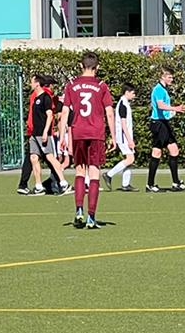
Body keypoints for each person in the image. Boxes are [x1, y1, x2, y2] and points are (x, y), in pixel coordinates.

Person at [59, 52, 113, 229]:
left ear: (81, 66)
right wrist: (113, 135)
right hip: (96, 132)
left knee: (80, 171)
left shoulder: (72, 85)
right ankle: (91, 217)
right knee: (94, 171)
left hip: (78, 132)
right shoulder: (102, 85)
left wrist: (62, 136)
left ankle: (79, 210)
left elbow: (65, 112)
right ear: (97, 68)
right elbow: (109, 112)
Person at [146, 67, 185, 193]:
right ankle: (150, 184)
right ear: (163, 77)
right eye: (169, 77)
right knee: (157, 152)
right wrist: (175, 109)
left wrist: (172, 113)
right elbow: (160, 105)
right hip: (158, 124)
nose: (172, 79)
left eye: (172, 77)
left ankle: (176, 182)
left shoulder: (164, 90)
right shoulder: (158, 89)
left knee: (174, 150)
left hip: (164, 123)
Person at [105, 84, 138, 192]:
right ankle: (109, 174)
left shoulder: (125, 104)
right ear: (127, 92)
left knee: (130, 159)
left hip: (125, 136)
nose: (134, 95)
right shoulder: (123, 104)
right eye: (133, 93)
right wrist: (130, 140)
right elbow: (123, 124)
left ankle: (126, 184)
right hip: (123, 137)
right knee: (130, 159)